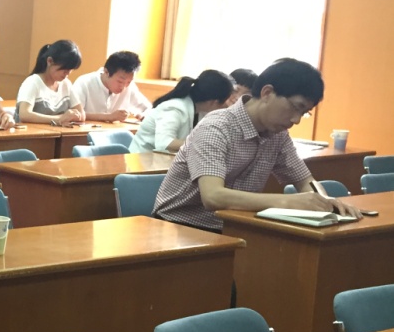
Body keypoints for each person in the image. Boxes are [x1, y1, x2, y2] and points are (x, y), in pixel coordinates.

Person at [154, 59, 360, 231]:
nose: (296, 120)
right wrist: (288, 201)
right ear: (267, 93)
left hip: (236, 226)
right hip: (180, 227)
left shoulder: (278, 135)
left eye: (304, 113)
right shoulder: (216, 127)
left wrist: (325, 203)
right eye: (296, 107)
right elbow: (213, 196)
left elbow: (305, 180)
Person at [131, 70, 234, 154]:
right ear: (213, 102)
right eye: (226, 101)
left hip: (163, 162)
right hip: (141, 161)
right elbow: (164, 143)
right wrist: (202, 144)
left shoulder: (201, 110)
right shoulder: (175, 108)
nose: (227, 105)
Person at [16, 40, 84, 126]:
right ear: (50, 61)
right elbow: (24, 114)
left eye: (70, 70)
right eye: (65, 69)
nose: (67, 74)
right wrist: (59, 119)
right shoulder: (33, 82)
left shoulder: (66, 84)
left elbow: (81, 114)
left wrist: (73, 116)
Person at [72, 51, 152, 121]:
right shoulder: (84, 82)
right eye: (120, 81)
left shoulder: (130, 87)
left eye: (129, 82)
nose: (123, 87)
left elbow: (149, 108)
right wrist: (108, 117)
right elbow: (74, 113)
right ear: (106, 72)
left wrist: (144, 115)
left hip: (116, 132)